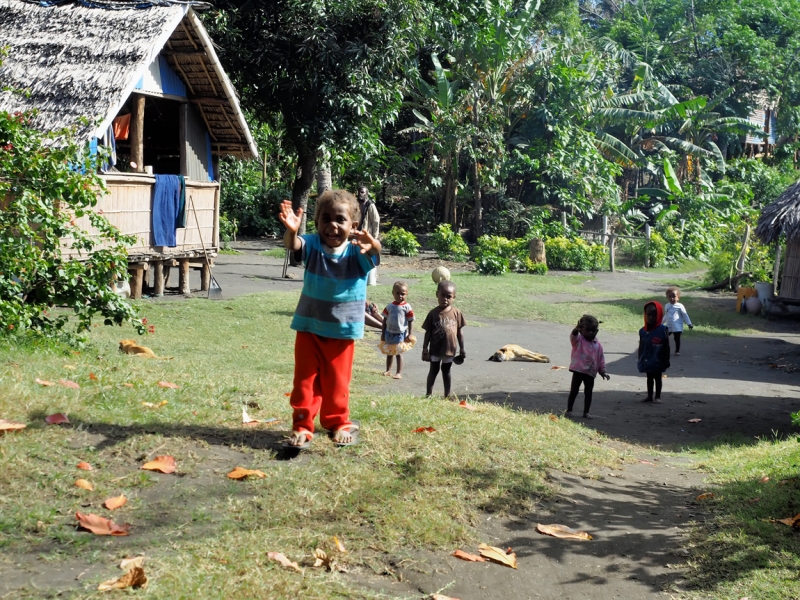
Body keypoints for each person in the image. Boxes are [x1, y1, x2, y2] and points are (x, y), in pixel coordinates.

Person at [278, 190, 381, 448]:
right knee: (304, 382)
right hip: (309, 327)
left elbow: (375, 256)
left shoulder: (357, 252)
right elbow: (294, 246)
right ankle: (302, 425)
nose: (332, 225)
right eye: (326, 219)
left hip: (342, 332)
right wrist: (292, 231)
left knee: (337, 383)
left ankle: (338, 423)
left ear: (353, 226)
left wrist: (375, 244)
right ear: (317, 223)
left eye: (340, 220)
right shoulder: (312, 245)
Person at [421, 280, 466, 397]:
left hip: (449, 350)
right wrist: (425, 348)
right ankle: (428, 394)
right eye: (442, 295)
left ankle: (447, 395)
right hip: (435, 349)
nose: (445, 299)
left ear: (454, 297)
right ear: (437, 294)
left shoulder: (456, 313)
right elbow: (428, 333)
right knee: (433, 370)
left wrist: (462, 348)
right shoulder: (433, 314)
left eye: (449, 296)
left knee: (446, 371)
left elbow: (460, 332)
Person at [566, 314, 610, 419]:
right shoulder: (578, 341)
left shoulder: (598, 345)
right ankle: (569, 410)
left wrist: (602, 371)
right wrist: (576, 329)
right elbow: (573, 336)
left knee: (588, 393)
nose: (591, 333)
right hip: (578, 370)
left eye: (593, 330)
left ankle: (586, 412)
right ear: (581, 331)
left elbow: (601, 358)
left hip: (590, 372)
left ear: (597, 331)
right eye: (588, 330)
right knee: (574, 391)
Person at [379, 281, 415, 379]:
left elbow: (410, 321)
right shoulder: (389, 306)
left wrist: (410, 334)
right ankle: (388, 370)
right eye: (397, 293)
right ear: (393, 293)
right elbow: (384, 320)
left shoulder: (406, 307)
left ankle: (399, 372)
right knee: (389, 353)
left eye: (402, 294)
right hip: (389, 333)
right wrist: (383, 333)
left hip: (400, 334)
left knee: (398, 353)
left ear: (406, 293)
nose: (400, 296)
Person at [638, 301, 670, 404]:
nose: (651, 317)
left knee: (658, 378)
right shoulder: (642, 331)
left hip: (658, 359)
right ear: (645, 314)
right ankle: (649, 396)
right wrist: (640, 358)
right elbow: (641, 346)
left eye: (654, 314)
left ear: (659, 315)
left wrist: (666, 360)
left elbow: (667, 346)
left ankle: (657, 396)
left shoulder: (663, 330)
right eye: (649, 314)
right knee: (649, 378)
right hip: (647, 359)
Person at [357, 185, 380, 286]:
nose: (360, 194)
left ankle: (371, 281)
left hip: (368, 236)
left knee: (370, 258)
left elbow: (376, 221)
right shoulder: (356, 204)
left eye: (362, 192)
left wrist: (374, 238)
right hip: (357, 236)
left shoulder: (370, 205)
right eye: (359, 192)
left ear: (366, 194)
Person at [663, 286, 693, 356]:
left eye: (674, 296)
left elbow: (685, 315)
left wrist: (689, 323)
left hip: (677, 326)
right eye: (669, 296)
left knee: (677, 338)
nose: (672, 298)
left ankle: (677, 351)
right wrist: (660, 323)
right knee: (665, 337)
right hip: (669, 325)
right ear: (667, 297)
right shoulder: (667, 306)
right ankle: (664, 349)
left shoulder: (680, 306)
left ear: (678, 297)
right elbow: (666, 315)